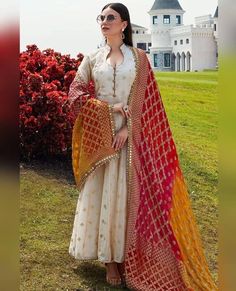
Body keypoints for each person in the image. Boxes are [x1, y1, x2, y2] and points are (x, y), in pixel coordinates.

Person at [67, 2, 218, 290]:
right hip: (101, 139)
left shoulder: (138, 58)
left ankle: (127, 255)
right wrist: (107, 110)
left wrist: (126, 127)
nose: (104, 21)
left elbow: (147, 101)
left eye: (110, 17)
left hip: (130, 141)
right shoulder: (92, 58)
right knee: (103, 196)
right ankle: (109, 260)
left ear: (124, 24)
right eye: (101, 17)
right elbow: (74, 95)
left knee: (126, 197)